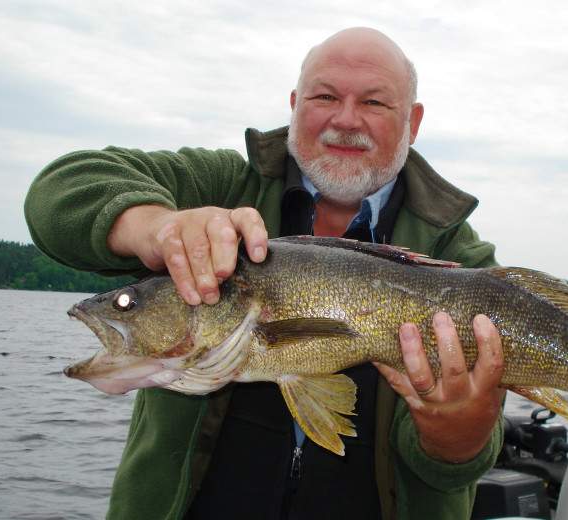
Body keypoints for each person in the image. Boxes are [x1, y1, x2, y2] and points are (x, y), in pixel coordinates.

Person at [25, 27, 507, 520]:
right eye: (325, 96)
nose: (345, 119)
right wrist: (158, 226)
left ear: (413, 121)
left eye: (375, 103)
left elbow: (454, 470)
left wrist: (459, 432)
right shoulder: (221, 184)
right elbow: (58, 190)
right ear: (296, 104)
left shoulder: (461, 259)